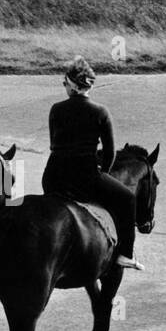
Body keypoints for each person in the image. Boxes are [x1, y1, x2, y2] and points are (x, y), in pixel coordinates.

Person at [42, 56, 143, 271]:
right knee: (127, 199)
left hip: (53, 177)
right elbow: (109, 154)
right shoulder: (100, 112)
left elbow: (55, 144)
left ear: (71, 85)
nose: (64, 87)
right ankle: (125, 253)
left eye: (64, 83)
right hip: (85, 177)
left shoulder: (56, 109)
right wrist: (102, 174)